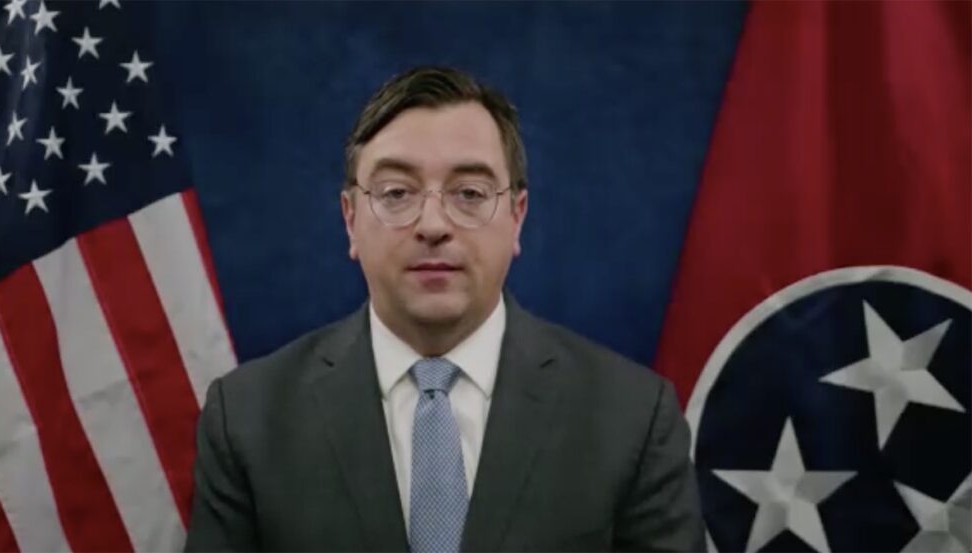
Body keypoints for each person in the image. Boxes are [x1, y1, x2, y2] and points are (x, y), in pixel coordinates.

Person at [185, 66, 704, 552]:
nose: (433, 223)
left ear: (517, 216)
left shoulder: (632, 418)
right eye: (396, 193)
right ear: (350, 219)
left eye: (470, 193)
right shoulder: (248, 419)